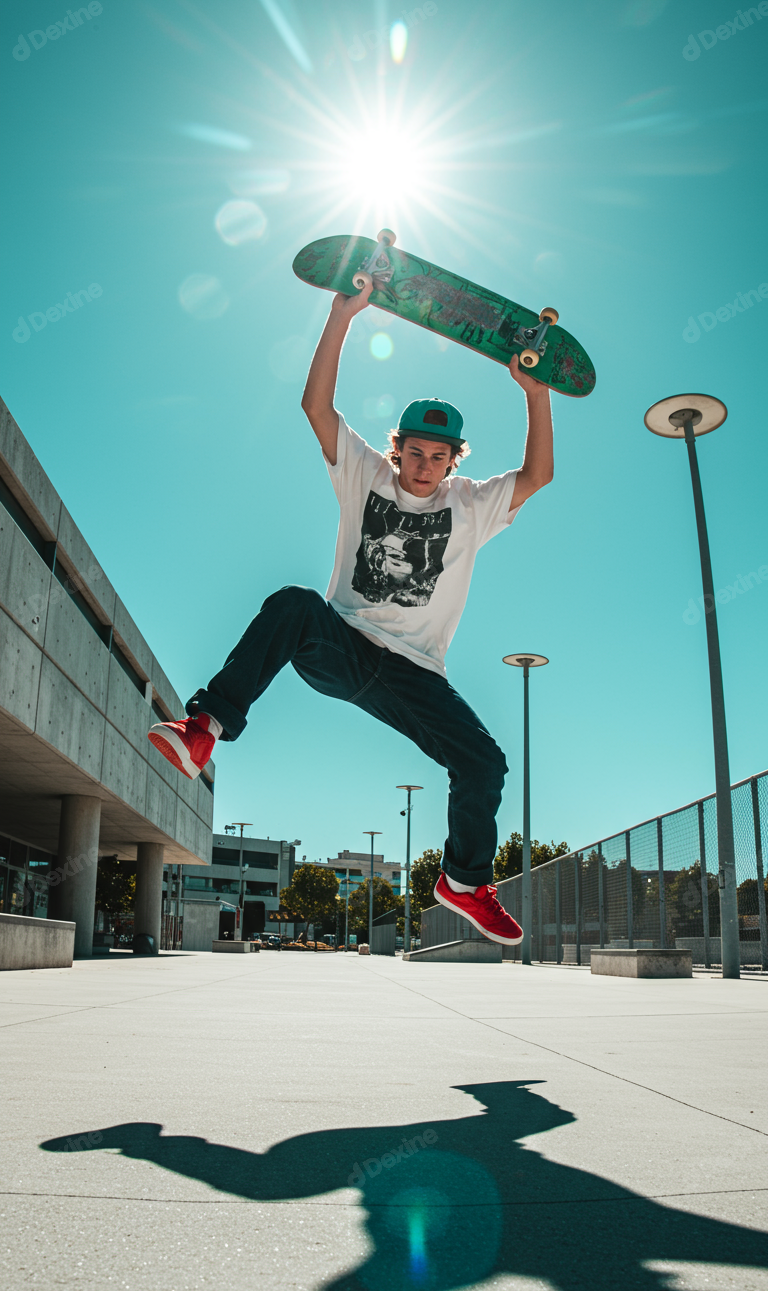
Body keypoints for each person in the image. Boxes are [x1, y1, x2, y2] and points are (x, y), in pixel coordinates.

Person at [148, 284, 554, 943]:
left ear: (454, 460)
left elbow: (537, 476)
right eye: (415, 454)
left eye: (438, 458)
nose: (424, 468)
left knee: (485, 763)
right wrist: (342, 315)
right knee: (294, 603)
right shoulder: (365, 473)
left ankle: (463, 882)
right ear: (399, 449)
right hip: (342, 646)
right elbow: (316, 406)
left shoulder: (471, 505)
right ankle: (205, 727)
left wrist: (535, 394)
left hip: (416, 675)